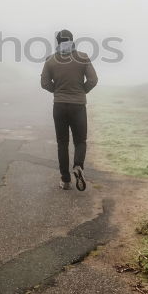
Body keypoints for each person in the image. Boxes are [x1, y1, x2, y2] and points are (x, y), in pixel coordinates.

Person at [40, 29, 98, 190]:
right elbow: (93, 79)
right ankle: (78, 165)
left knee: (62, 143)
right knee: (80, 141)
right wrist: (82, 91)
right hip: (78, 106)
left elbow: (44, 83)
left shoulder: (51, 60)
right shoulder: (83, 57)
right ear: (72, 40)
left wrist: (57, 91)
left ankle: (65, 180)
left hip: (59, 105)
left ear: (57, 42)